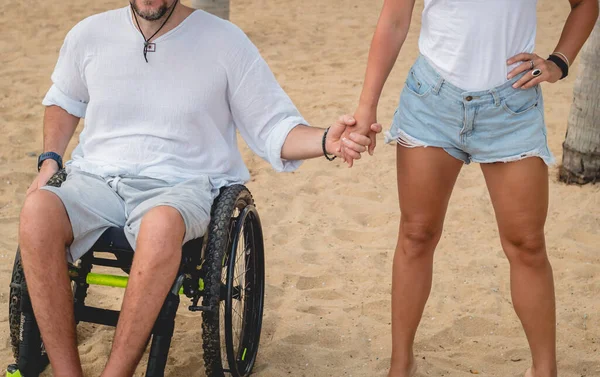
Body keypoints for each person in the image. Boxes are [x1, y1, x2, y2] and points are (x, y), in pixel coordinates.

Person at [18, 1, 382, 376]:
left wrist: (327, 141)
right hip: (96, 178)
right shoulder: (88, 34)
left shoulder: (225, 42)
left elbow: (273, 126)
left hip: (180, 185)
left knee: (160, 228)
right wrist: (50, 160)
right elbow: (64, 101)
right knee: (36, 214)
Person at [339, 0, 599, 376]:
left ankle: (545, 370)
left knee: (527, 243)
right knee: (416, 235)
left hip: (512, 107)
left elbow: (585, 5)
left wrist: (559, 62)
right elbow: (395, 20)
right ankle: (401, 366)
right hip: (431, 101)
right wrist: (366, 107)